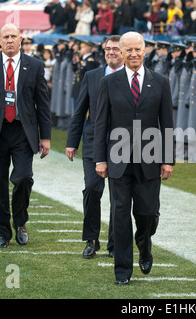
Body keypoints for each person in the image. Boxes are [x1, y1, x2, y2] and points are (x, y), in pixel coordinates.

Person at [93, 32, 174, 285]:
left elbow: (167, 124)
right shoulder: (109, 83)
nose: (133, 54)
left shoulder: (160, 82)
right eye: (128, 50)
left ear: (145, 50)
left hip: (150, 160)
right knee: (120, 213)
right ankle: (122, 271)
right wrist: (100, 159)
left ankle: (145, 245)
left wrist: (168, 159)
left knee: (147, 213)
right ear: (122, 52)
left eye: (137, 49)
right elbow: (100, 124)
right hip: (118, 160)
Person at [0, 24, 52, 248]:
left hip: (23, 132)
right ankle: (3, 231)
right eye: (6, 37)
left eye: (14, 36)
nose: (10, 40)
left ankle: (20, 222)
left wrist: (46, 137)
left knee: (23, 177)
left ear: (21, 39)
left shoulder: (34, 65)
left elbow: (43, 104)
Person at [66, 35, 124, 259]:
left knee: (119, 196)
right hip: (93, 142)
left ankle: (115, 243)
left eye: (116, 49)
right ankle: (91, 239)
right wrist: (72, 142)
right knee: (92, 189)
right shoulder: (92, 76)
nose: (111, 52)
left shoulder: (131, 77)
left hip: (121, 144)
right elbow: (79, 111)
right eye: (108, 48)